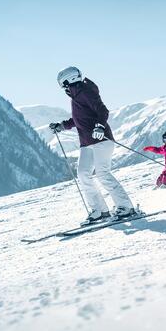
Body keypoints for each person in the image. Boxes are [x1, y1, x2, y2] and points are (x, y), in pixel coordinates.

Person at [49, 66, 137, 225]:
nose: (64, 88)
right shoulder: (75, 97)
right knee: (83, 174)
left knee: (102, 173)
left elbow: (102, 111)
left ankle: (126, 207)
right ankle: (100, 211)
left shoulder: (86, 91)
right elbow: (79, 119)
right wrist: (62, 126)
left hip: (101, 139)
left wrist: (100, 126)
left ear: (69, 81)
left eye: (63, 85)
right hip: (86, 142)